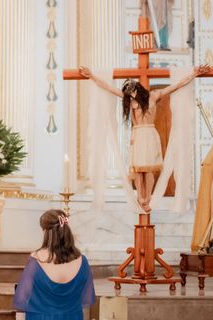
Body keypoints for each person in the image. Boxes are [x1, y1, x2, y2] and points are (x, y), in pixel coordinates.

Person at [79, 65, 209, 212]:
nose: (131, 97)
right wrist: (92, 76)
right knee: (138, 170)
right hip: (137, 135)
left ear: (138, 90)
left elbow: (177, 86)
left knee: (148, 170)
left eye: (133, 93)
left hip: (150, 134)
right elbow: (109, 88)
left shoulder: (154, 96)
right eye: (129, 95)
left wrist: (193, 74)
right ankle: (141, 198)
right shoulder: (128, 98)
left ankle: (147, 198)